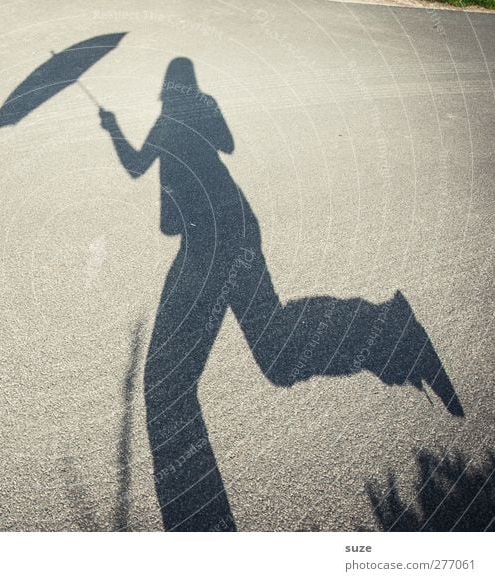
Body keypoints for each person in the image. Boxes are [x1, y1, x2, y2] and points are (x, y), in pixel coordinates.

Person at [98, 57, 462, 532]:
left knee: (197, 375)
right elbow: (208, 147)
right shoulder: (186, 116)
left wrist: (125, 128)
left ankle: (386, 327)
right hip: (223, 237)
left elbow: (138, 165)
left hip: (218, 245)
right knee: (271, 354)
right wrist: (149, 124)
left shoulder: (171, 122)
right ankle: (385, 326)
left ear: (167, 87)